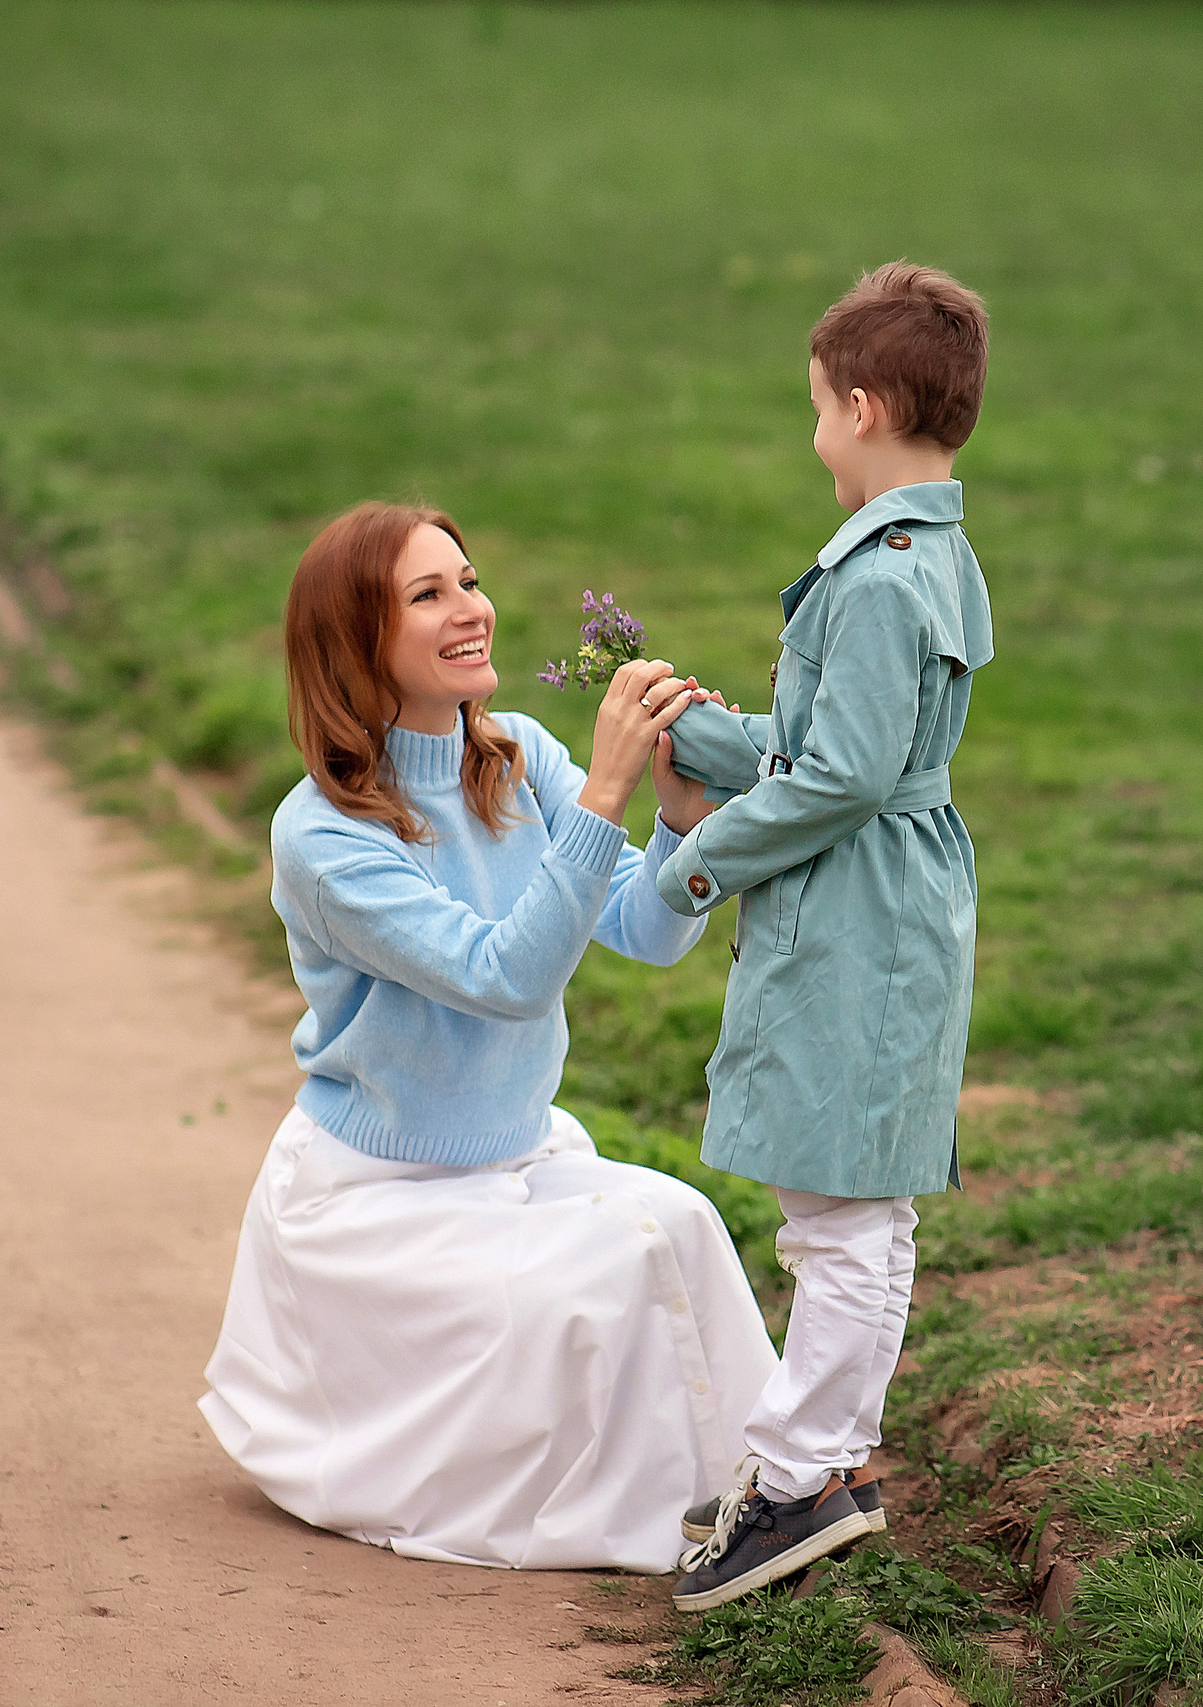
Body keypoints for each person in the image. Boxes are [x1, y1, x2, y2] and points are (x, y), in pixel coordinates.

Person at [199, 501, 777, 1573]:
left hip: (511, 1152)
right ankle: (685, 1518)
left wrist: (680, 822)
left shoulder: (518, 755)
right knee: (612, 1266)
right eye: (428, 595)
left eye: (467, 581)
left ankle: (763, 1492)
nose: (471, 610)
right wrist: (602, 790)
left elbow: (644, 932)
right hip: (380, 1195)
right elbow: (502, 979)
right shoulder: (321, 836)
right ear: (357, 642)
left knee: (682, 1223)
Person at [654, 263, 995, 1610]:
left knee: (839, 1214)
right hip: (896, 896)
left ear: (860, 408)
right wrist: (695, 729)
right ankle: (833, 1458)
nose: (812, 437)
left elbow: (842, 779)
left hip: (858, 910)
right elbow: (838, 750)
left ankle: (795, 1481)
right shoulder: (933, 555)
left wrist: (695, 861)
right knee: (864, 1205)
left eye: (814, 411)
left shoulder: (873, 579)